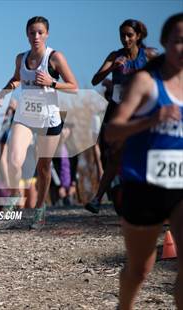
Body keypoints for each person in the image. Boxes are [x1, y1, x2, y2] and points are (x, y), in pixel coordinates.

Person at [105, 13, 183, 309]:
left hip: (180, 184)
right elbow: (113, 130)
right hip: (144, 185)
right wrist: (151, 119)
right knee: (140, 269)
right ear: (164, 43)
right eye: (178, 41)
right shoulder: (145, 82)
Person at [0, 16, 78, 229]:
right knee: (14, 160)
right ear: (27, 35)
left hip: (48, 118)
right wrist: (4, 92)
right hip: (25, 116)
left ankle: (40, 209)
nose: (36, 36)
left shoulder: (55, 57)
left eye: (40, 32)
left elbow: (74, 86)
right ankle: (15, 195)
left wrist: (52, 83)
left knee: (43, 166)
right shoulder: (21, 58)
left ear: (47, 34)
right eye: (32, 33)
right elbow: (17, 78)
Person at [86, 19, 157, 214]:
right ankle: (97, 199)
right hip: (118, 112)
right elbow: (95, 79)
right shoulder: (115, 55)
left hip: (142, 112)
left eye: (129, 35)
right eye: (122, 35)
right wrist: (111, 68)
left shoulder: (149, 55)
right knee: (115, 154)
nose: (125, 39)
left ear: (138, 36)